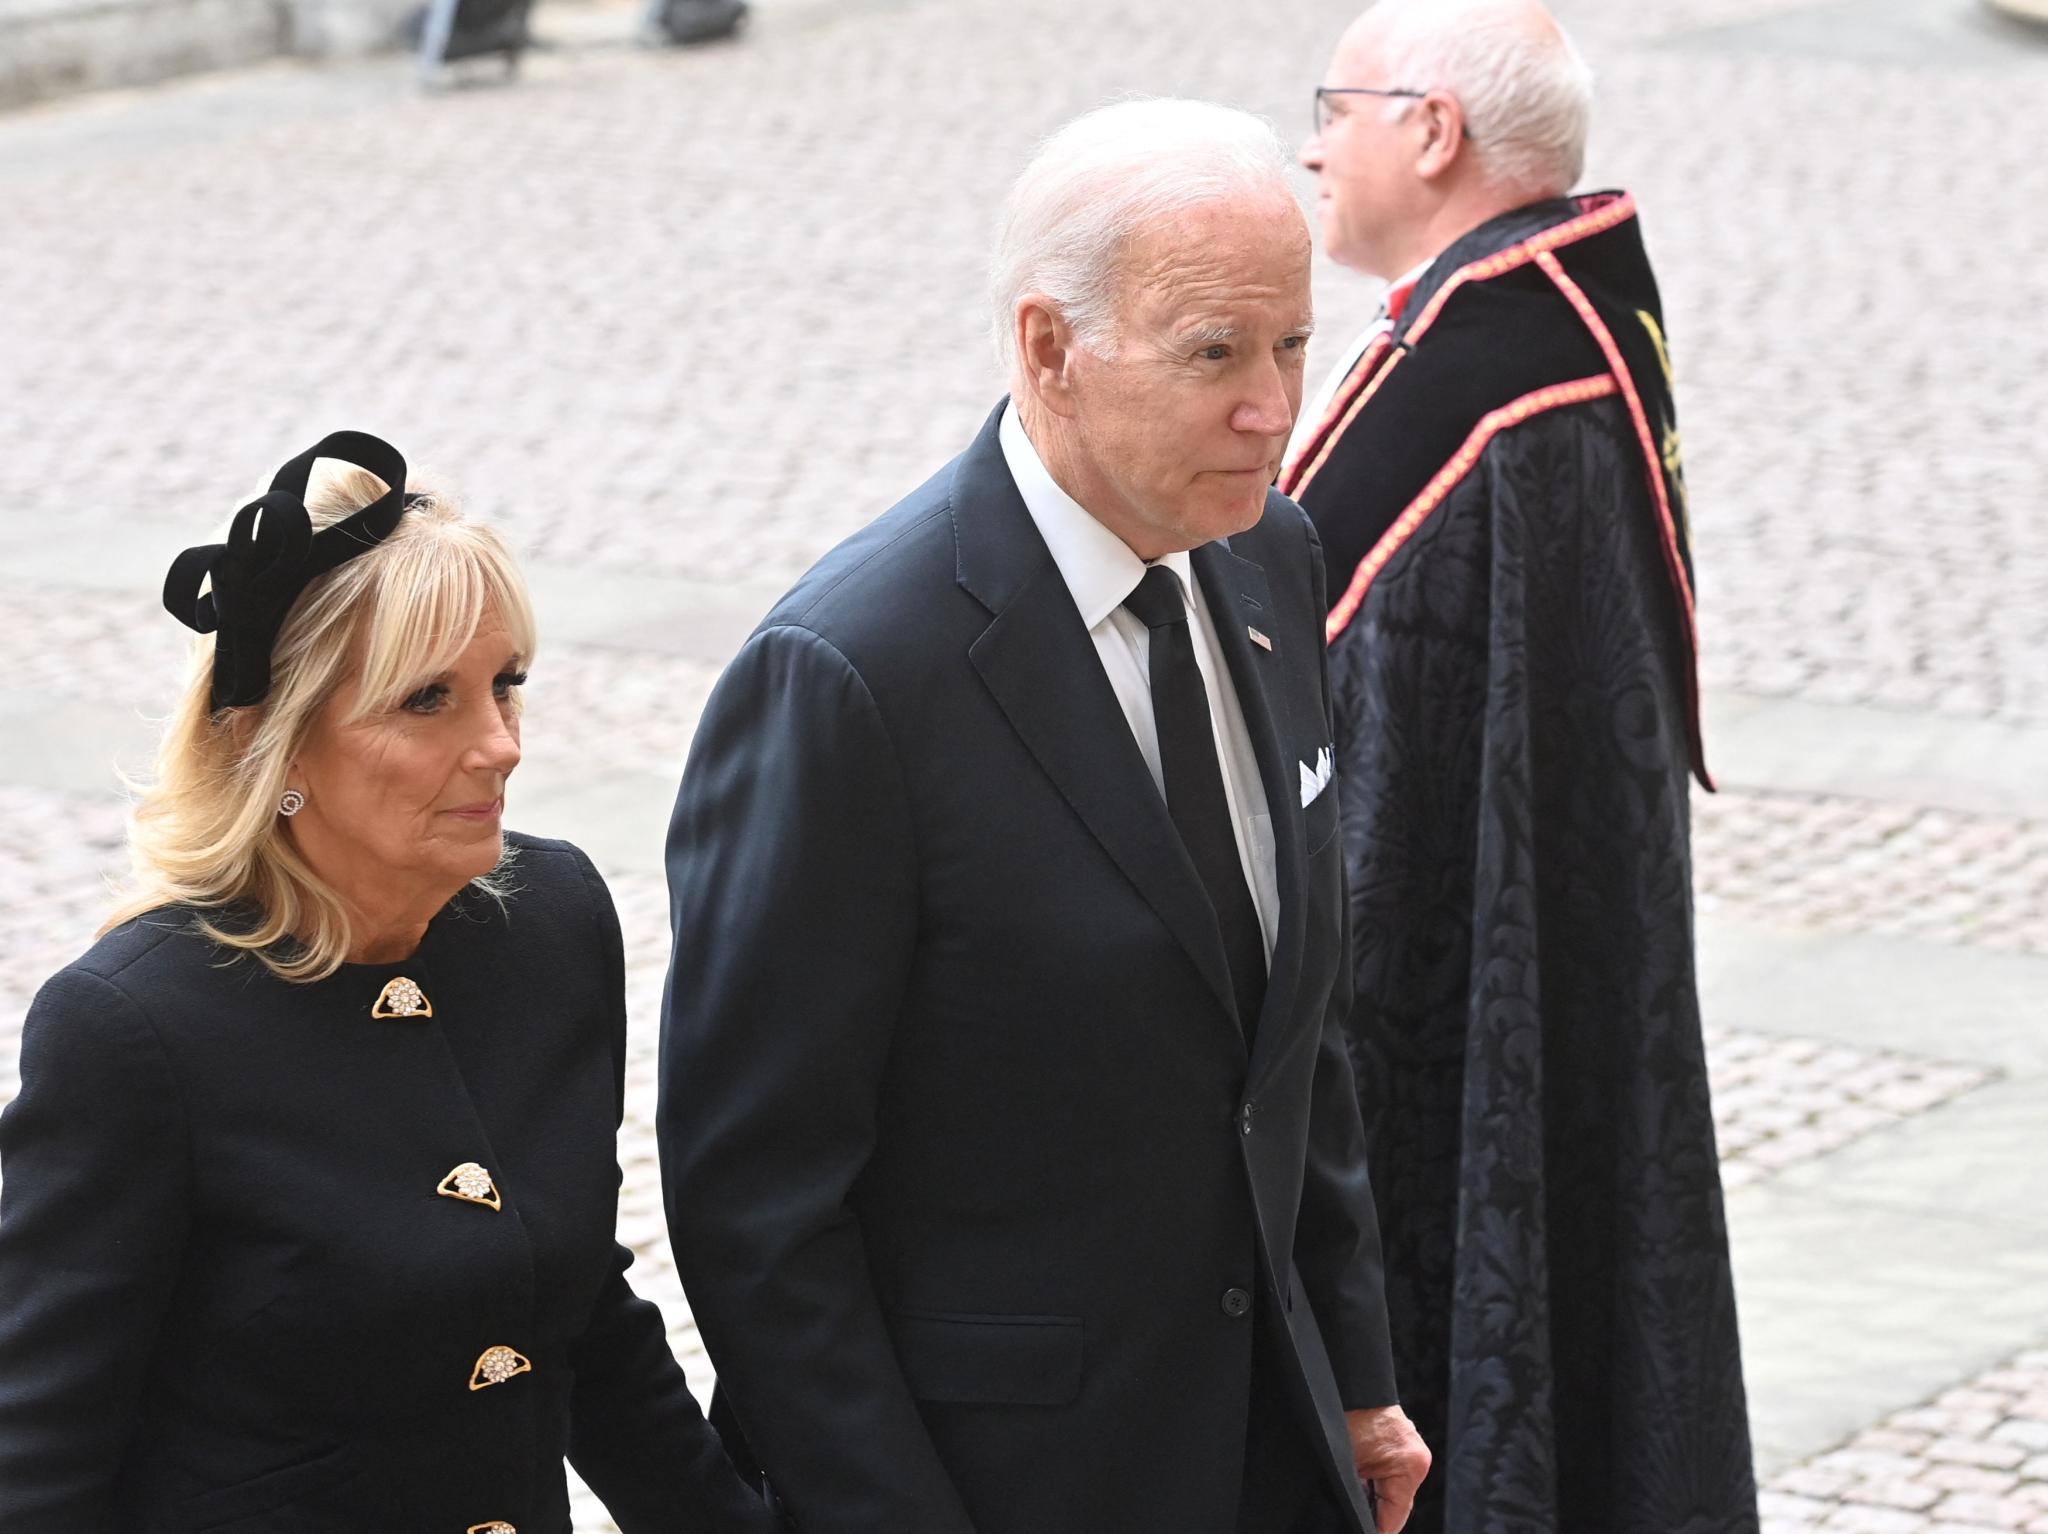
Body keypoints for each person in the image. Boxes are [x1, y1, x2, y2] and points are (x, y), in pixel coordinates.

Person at [658, 100, 1431, 1534]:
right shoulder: (848, 679)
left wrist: (1354, 1373)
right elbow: (757, 1209)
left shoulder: (1268, 552)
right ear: (1047, 350)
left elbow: (1290, 1045)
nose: (1274, 408)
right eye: (1216, 353)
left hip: (1269, 1454)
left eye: (1292, 345)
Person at [0, 433, 776, 1534]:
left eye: (505, 684)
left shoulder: (551, 923)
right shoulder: (131, 1031)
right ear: (273, 739)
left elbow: (576, 1313)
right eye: (428, 701)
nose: (500, 742)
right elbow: (38, 1464)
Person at [1280, 4, 1759, 1531]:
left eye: (1335, 105)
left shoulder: (1474, 378)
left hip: (1437, 1026)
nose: (1309, 141)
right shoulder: (1575, 315)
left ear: (1433, 130)